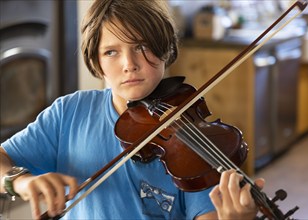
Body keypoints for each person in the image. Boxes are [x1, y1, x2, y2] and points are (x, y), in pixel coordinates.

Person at [0, 0, 264, 219]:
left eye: (141, 47)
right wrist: (20, 181)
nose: (129, 64)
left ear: (165, 49)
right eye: (111, 52)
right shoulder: (68, 113)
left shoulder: (192, 142)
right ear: (96, 61)